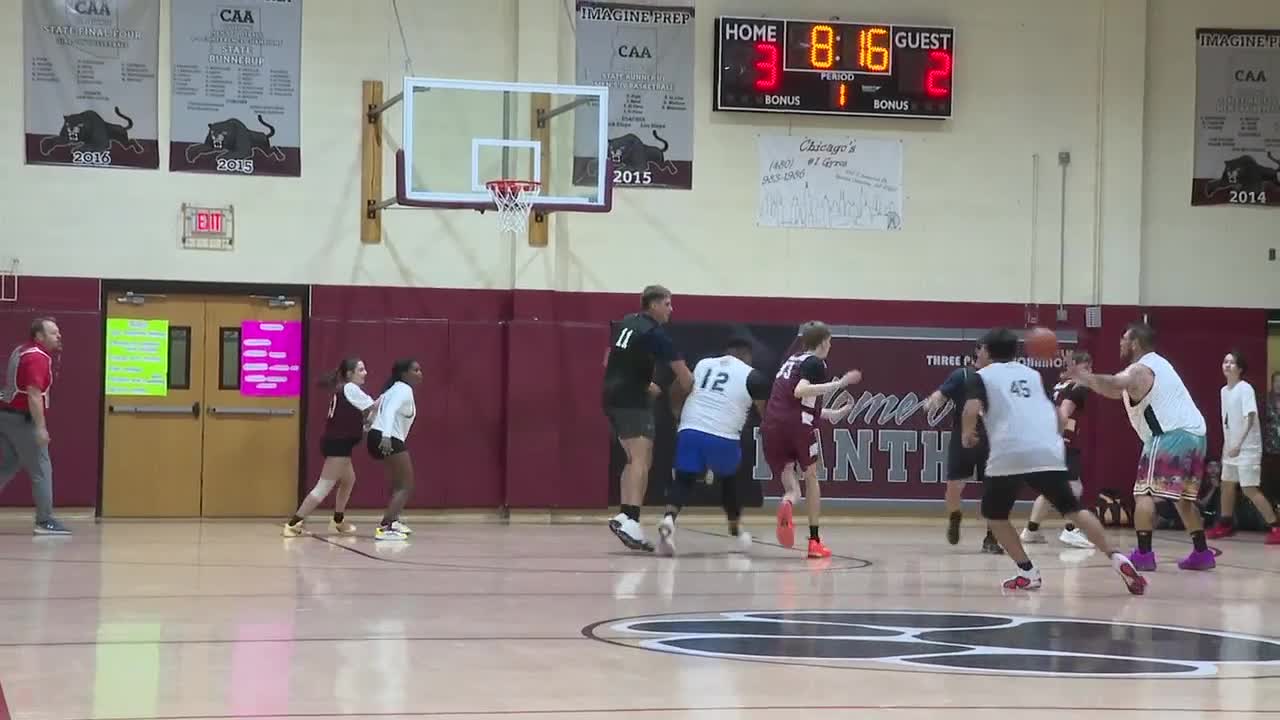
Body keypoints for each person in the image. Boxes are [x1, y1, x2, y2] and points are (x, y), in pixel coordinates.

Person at [960, 328, 1145, 593]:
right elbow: (1057, 416)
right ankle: (1117, 557)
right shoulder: (1032, 375)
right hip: (1047, 449)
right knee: (1074, 509)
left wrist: (967, 433)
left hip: (1009, 452)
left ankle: (1027, 572)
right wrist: (1053, 441)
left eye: (981, 350)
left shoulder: (981, 376)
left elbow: (971, 409)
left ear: (988, 351)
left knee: (995, 515)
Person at [1067, 321, 1215, 571]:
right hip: (1197, 437)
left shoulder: (1139, 369)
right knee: (1183, 500)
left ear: (1135, 343)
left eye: (1124, 339)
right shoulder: (1160, 365)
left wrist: (1085, 377)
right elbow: (1116, 391)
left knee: (1143, 494)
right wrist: (1089, 382)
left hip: (1170, 435)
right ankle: (1202, 553)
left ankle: (1144, 555)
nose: (1120, 343)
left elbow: (1116, 382)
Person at [659, 337, 823, 556]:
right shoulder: (752, 376)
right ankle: (736, 530)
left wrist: (678, 416)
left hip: (690, 429)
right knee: (729, 482)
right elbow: (767, 415)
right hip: (723, 435)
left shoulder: (703, 364)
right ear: (747, 355)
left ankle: (669, 519)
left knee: (683, 480)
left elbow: (677, 389)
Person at [602, 285, 694, 552]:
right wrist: (693, 398)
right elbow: (685, 378)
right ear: (653, 305)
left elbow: (610, 360)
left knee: (636, 458)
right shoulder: (656, 334)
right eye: (667, 304)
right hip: (632, 401)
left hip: (612, 396)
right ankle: (629, 519)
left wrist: (644, 382)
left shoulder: (627, 323)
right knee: (640, 460)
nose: (671, 309)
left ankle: (628, 518)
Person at [761, 321, 860, 559]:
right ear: (824, 342)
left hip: (772, 426)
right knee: (811, 477)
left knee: (791, 484)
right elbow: (800, 391)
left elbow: (794, 402)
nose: (830, 345)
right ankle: (814, 542)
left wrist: (831, 414)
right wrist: (840, 384)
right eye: (830, 341)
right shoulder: (815, 363)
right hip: (798, 427)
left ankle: (787, 503)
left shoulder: (791, 361)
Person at [283, 357, 377, 537]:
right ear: (349, 374)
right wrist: (390, 397)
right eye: (361, 370)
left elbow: (363, 415)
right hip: (338, 445)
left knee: (348, 480)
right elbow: (374, 405)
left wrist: (366, 423)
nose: (365, 373)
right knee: (324, 486)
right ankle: (293, 523)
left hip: (340, 443)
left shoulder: (345, 390)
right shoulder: (350, 388)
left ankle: (337, 521)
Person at [924, 351, 1002, 553]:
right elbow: (941, 393)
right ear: (979, 353)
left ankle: (992, 537)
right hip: (963, 437)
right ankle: (955, 516)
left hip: (992, 439)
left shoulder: (1000, 377)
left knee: (994, 490)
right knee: (954, 486)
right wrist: (934, 400)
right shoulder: (963, 375)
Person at [0, 318, 69, 535]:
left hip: (6, 416)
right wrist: (40, 427)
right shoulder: (37, 358)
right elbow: (33, 394)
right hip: (22, 420)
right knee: (42, 468)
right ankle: (45, 521)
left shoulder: (22, 350)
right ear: (39, 336)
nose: (59, 336)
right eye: (53, 333)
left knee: (9, 464)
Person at [1020, 351, 1096, 549]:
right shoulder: (1078, 387)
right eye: (1086, 367)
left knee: (1050, 489)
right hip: (1064, 443)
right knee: (1075, 487)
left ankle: (1031, 530)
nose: (1090, 371)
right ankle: (1071, 529)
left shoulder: (1059, 385)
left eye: (1090, 367)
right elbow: (1063, 413)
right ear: (1074, 366)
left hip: (1050, 441)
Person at [1207, 350, 1280, 544]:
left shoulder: (1245, 388)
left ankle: (1276, 526)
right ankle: (1226, 523)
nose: (1227, 365)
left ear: (1240, 369)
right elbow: (1228, 421)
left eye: (1232, 362)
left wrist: (1239, 444)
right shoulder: (1224, 391)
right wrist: (1228, 446)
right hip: (1231, 448)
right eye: (1225, 361)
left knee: (1249, 488)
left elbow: (1250, 417)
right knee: (1227, 484)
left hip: (1247, 448)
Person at [367, 359, 422, 541]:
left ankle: (394, 520)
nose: (420, 373)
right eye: (415, 370)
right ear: (404, 374)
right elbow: (389, 410)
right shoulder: (404, 389)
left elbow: (375, 406)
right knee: (406, 485)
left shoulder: (392, 389)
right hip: (388, 437)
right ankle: (386, 526)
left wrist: (369, 425)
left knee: (399, 483)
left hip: (378, 435)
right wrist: (385, 436)